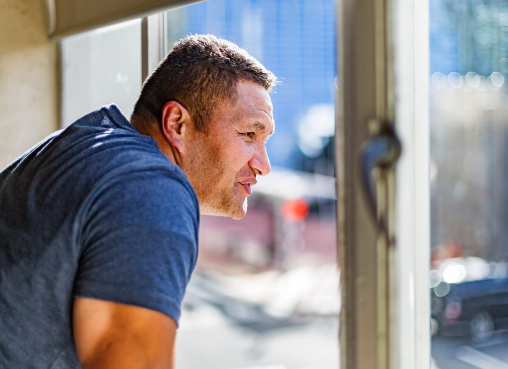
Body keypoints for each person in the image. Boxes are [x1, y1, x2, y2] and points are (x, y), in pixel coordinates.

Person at [0, 34, 276, 368]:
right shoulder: (153, 190)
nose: (263, 164)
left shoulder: (78, 149)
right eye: (249, 135)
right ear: (177, 124)